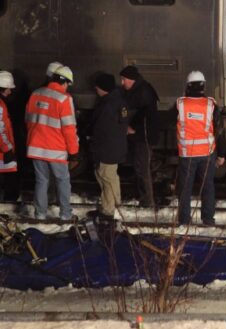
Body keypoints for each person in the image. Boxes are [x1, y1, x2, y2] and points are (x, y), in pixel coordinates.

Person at [25, 64, 79, 220]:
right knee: (62, 181)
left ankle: (40, 214)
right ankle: (65, 214)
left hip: (35, 147)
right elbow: (69, 128)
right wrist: (74, 152)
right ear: (65, 82)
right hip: (56, 150)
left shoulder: (35, 94)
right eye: (68, 84)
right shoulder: (64, 99)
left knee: (41, 181)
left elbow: (28, 121)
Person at [175, 71, 226, 225]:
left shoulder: (180, 104)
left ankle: (184, 221)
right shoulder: (211, 105)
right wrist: (222, 154)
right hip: (207, 154)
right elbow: (219, 131)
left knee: (185, 188)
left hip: (187, 154)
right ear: (203, 86)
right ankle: (208, 219)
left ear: (187, 86)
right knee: (207, 187)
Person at [89, 73, 129, 219]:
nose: (95, 89)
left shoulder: (107, 105)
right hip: (115, 146)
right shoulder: (118, 100)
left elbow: (100, 128)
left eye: (97, 86)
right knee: (110, 176)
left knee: (106, 177)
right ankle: (115, 204)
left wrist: (91, 139)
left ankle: (108, 211)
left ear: (103, 88)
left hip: (107, 148)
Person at [120, 65, 160, 208]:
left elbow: (145, 117)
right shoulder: (142, 89)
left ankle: (147, 201)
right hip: (144, 135)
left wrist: (134, 130)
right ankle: (145, 198)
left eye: (124, 79)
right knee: (141, 167)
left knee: (142, 168)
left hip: (144, 136)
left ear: (131, 79)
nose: (122, 83)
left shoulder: (141, 93)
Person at [0, 70, 19, 202]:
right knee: (11, 180)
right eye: (8, 88)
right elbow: (0, 130)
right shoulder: (0, 106)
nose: (10, 92)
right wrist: (7, 148)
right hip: (3, 152)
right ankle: (9, 204)